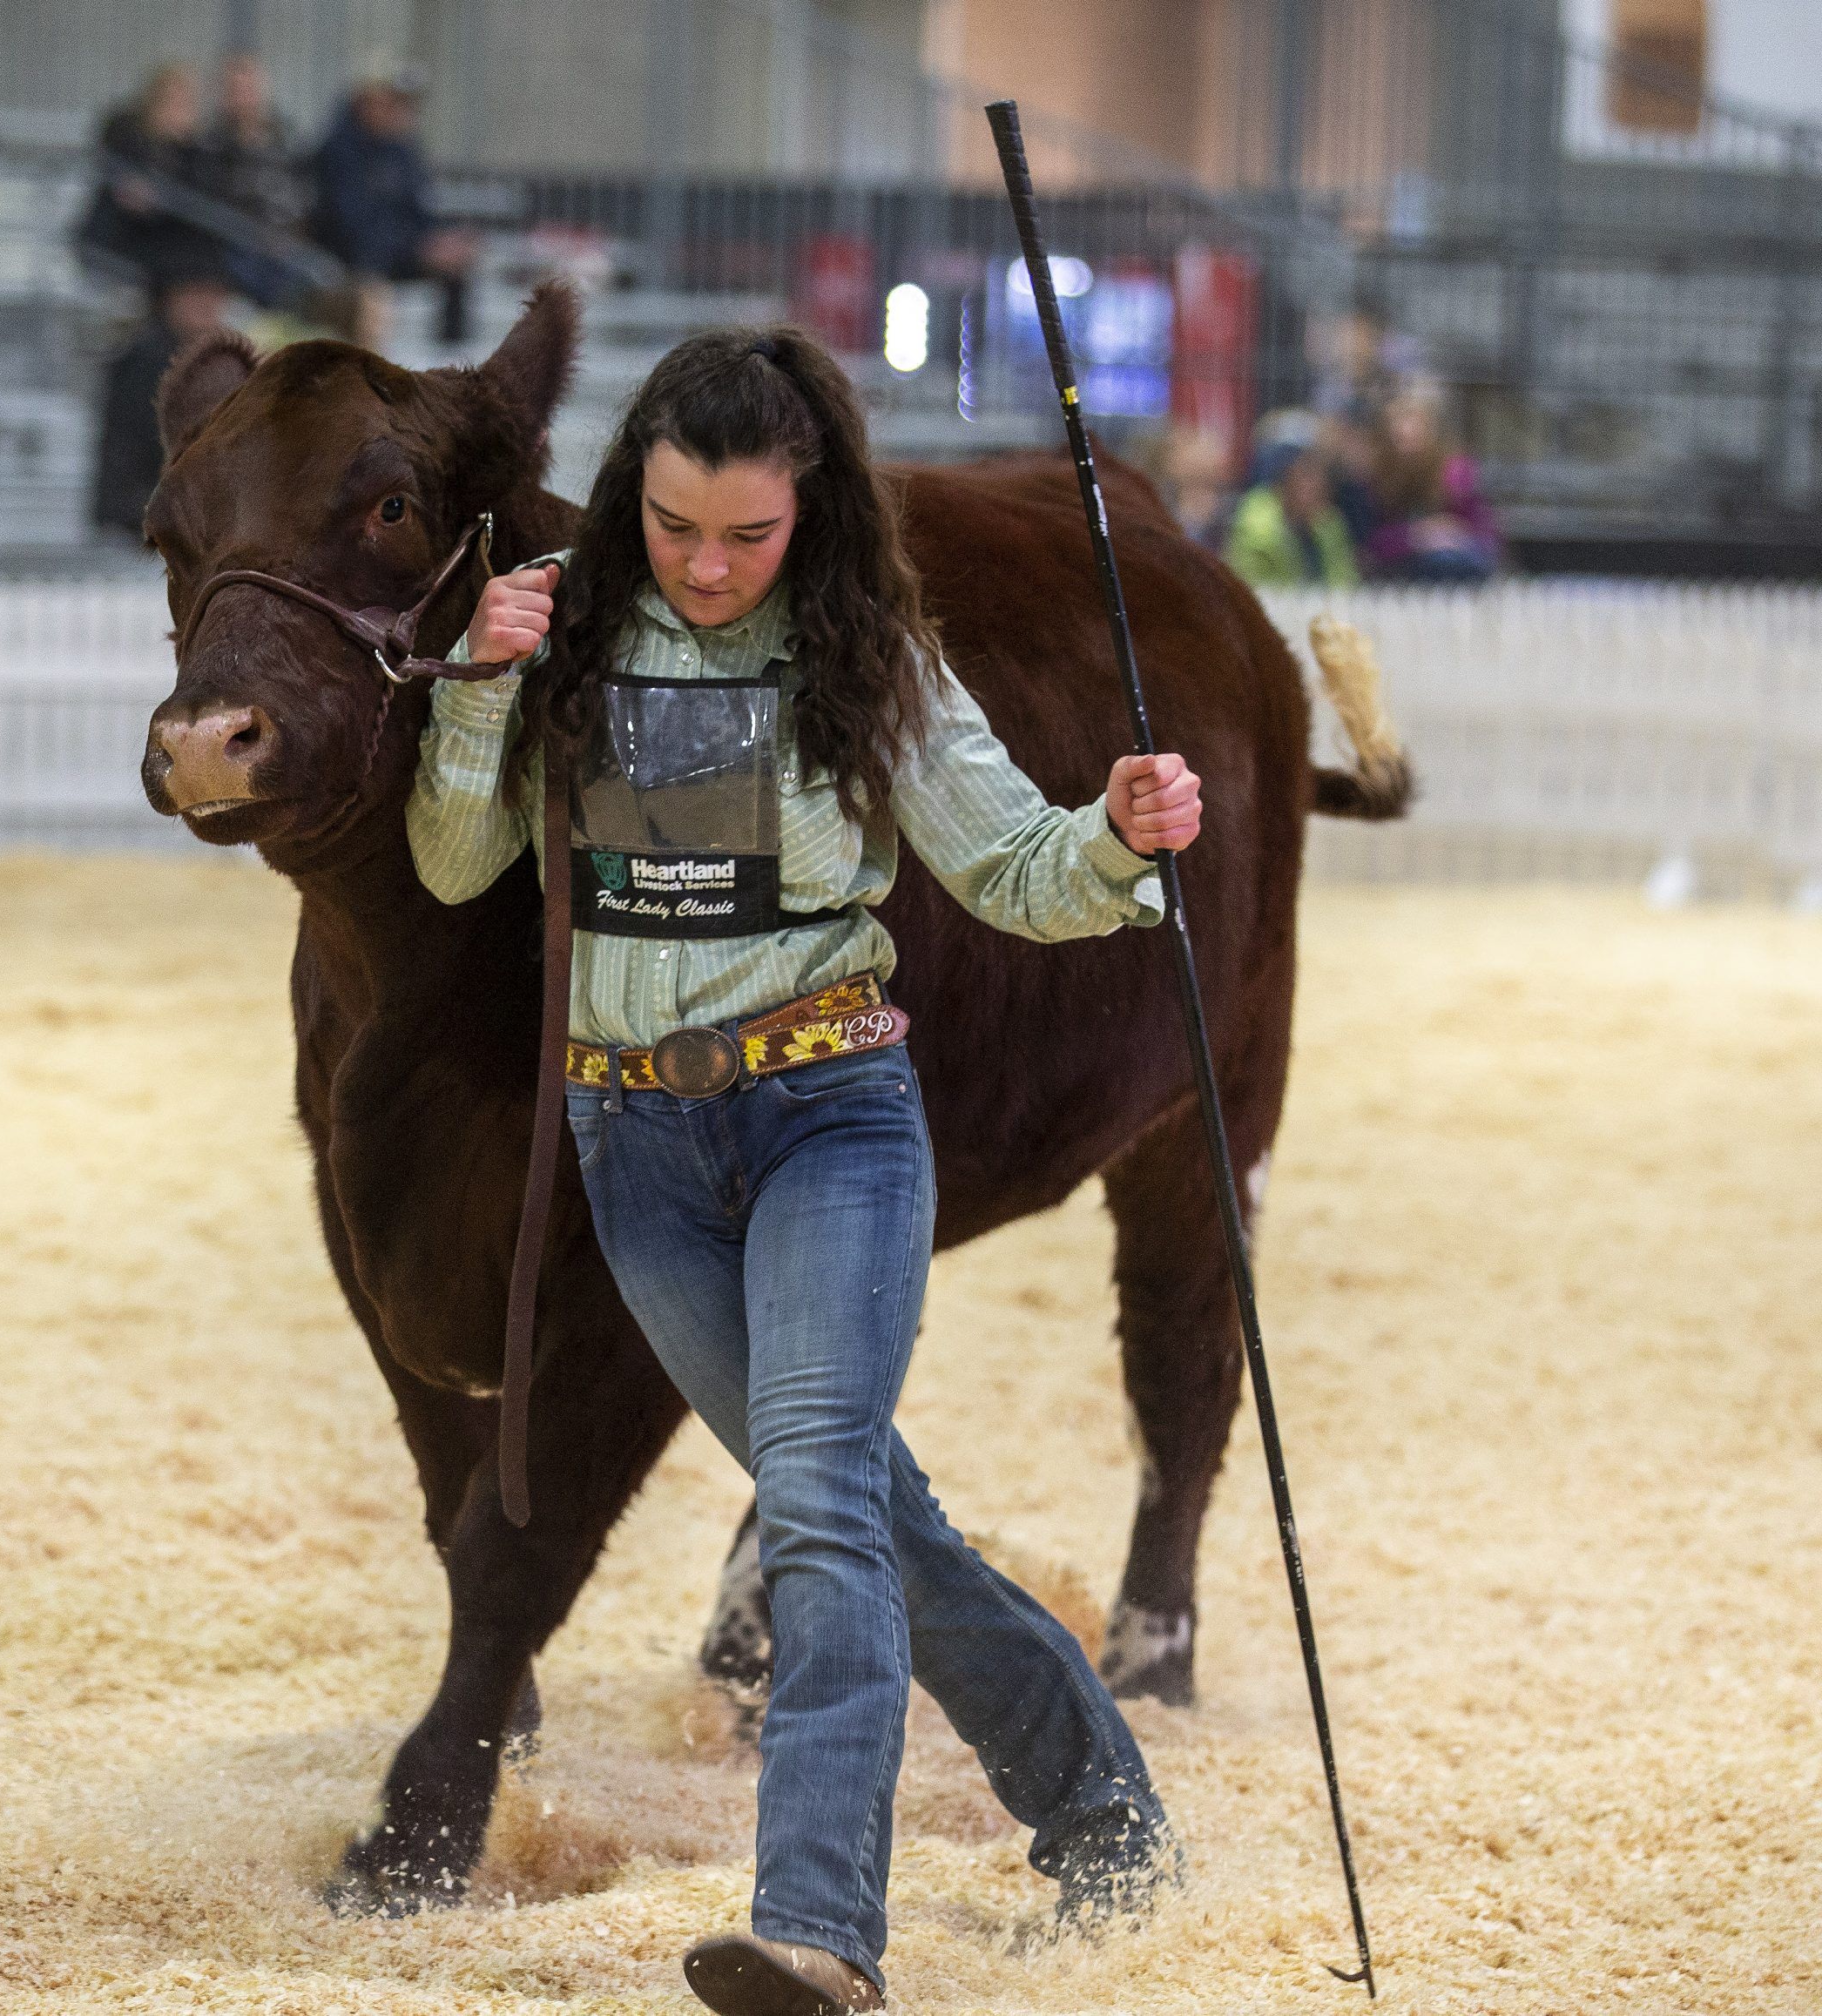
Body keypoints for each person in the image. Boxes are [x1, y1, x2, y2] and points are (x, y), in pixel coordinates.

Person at [406, 327, 1199, 2015]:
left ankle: (817, 1929)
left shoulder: (873, 660)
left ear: (812, 514)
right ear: (635, 498)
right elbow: (454, 854)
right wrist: (474, 681)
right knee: (885, 1521)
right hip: (639, 1148)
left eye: (746, 534)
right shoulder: (562, 640)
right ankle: (1104, 1811)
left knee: (823, 1505)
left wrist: (1120, 837)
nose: (705, 565)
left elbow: (1016, 868)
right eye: (678, 525)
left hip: (827, 1116)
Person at [303, 64, 476, 346]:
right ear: (368, 101)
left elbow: (419, 211)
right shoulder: (338, 151)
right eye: (395, 100)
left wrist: (441, 241)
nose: (404, 111)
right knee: (373, 297)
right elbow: (352, 228)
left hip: (395, 254)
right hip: (348, 264)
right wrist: (419, 248)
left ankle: (451, 360)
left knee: (458, 265)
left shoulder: (404, 150)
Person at [90, 256, 233, 540]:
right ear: (172, 299)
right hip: (144, 511)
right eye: (197, 295)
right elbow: (138, 445)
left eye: (214, 295)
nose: (208, 305)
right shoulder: (149, 358)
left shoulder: (211, 356)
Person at [77, 62, 224, 287]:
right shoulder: (126, 133)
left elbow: (196, 195)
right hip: (122, 233)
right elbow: (117, 168)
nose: (176, 107)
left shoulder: (197, 150)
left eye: (183, 100)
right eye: (170, 98)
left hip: (165, 238)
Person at [1364, 384, 1502, 583]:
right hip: (1404, 570)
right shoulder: (1378, 477)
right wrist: (1417, 534)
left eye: (1415, 425)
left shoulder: (1453, 473)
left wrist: (1452, 533)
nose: (1407, 435)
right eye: (1400, 428)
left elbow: (1486, 539)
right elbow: (1370, 545)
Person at [197, 51, 304, 307]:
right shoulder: (209, 145)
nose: (244, 99)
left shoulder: (285, 139)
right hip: (236, 247)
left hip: (288, 246)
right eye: (236, 90)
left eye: (250, 89)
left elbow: (303, 192)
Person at [1222, 421, 1362, 590]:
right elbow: (1254, 592)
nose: (1319, 483)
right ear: (1281, 478)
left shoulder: (1329, 523)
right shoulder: (1256, 529)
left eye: (1321, 472)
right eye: (1306, 473)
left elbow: (1346, 583)